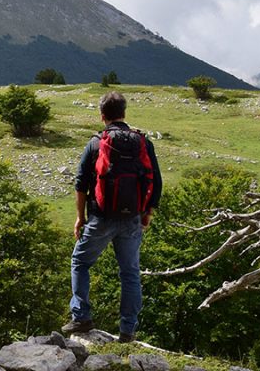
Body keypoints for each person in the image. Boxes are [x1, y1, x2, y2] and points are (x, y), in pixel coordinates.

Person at [62, 91, 162, 342]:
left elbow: (80, 184)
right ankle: (127, 332)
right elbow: (156, 182)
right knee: (130, 273)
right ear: (124, 114)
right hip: (132, 219)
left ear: (102, 115)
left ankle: (81, 317)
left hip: (100, 217)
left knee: (80, 262)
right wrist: (146, 212)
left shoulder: (96, 143)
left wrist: (79, 218)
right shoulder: (142, 142)